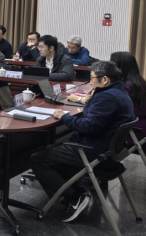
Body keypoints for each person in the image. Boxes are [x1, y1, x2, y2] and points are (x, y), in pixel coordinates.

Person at [30, 61, 135, 222]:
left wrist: (64, 117)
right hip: (109, 149)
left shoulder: (107, 97)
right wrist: (91, 100)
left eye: (91, 78)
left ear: (104, 80)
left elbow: (88, 126)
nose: (90, 82)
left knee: (37, 159)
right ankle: (78, 186)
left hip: (92, 150)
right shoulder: (120, 92)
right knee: (54, 147)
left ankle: (74, 197)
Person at [106, 52, 146, 135]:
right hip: (140, 125)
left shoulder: (125, 87)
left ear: (118, 67)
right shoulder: (140, 82)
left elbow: (112, 110)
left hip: (131, 130)